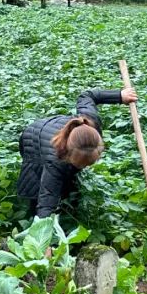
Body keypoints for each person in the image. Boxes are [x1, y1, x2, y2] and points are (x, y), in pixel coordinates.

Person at [16, 87, 137, 220]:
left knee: (68, 184)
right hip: (33, 138)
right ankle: (31, 217)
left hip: (56, 128)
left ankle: (69, 206)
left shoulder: (91, 122)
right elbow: (47, 198)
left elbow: (87, 96)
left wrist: (119, 95)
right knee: (38, 189)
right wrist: (42, 230)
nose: (84, 167)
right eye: (80, 163)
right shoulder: (55, 160)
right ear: (69, 155)